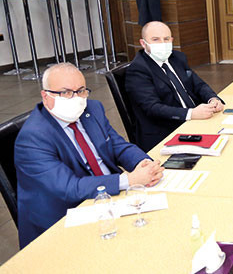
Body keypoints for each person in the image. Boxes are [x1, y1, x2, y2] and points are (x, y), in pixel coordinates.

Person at [14, 63, 163, 248]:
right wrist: (129, 180)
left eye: (81, 91)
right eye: (66, 92)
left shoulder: (92, 109)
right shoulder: (32, 138)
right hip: (66, 219)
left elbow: (118, 146)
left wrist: (145, 164)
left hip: (110, 199)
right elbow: (69, 189)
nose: (76, 99)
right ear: (46, 96)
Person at [126, 21, 224, 151]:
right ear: (143, 43)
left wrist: (212, 99)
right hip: (165, 131)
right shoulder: (138, 69)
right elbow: (152, 108)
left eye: (166, 39)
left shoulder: (177, 58)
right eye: (155, 39)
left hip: (195, 121)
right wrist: (191, 114)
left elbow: (198, 85)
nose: (162, 43)